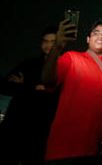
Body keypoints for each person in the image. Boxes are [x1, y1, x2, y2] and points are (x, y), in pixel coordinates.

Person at [42, 18, 102, 164]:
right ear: (88, 39)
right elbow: (47, 80)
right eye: (96, 33)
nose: (101, 36)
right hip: (63, 148)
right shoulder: (71, 58)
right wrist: (57, 47)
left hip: (97, 148)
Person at [0, 26, 59, 165]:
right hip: (15, 125)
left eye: (53, 41)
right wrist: (34, 88)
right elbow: (5, 86)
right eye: (45, 41)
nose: (48, 45)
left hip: (40, 130)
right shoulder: (29, 64)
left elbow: (58, 96)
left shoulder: (63, 66)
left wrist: (25, 86)